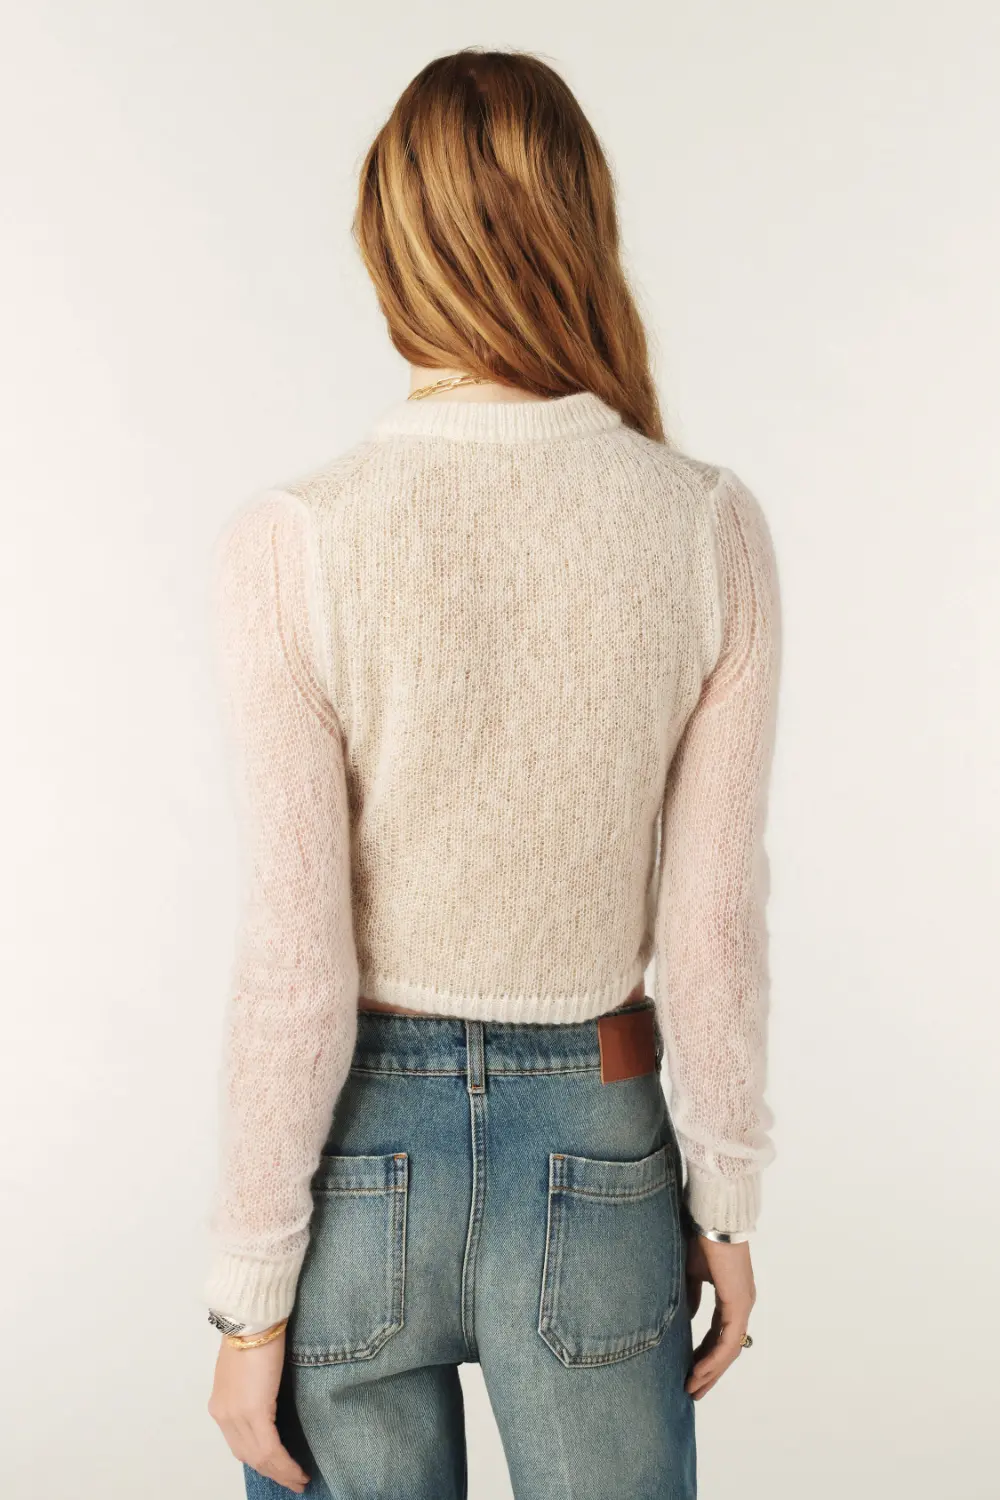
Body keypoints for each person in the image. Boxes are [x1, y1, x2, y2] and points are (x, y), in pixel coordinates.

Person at [204, 47, 781, 1500]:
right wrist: (725, 1198)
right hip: (601, 1151)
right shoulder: (705, 527)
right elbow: (713, 923)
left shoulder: (296, 540)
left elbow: (295, 963)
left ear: (389, 242)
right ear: (584, 226)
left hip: (358, 1165)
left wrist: (248, 1294)